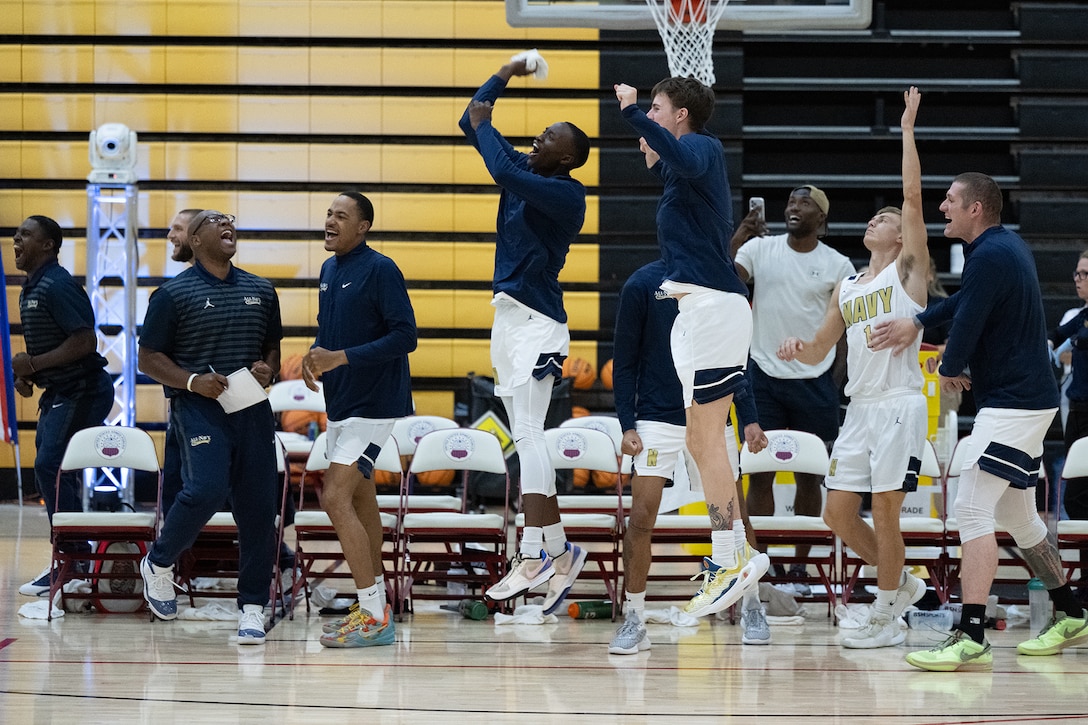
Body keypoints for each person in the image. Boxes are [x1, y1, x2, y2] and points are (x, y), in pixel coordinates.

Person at [870, 174, 1086, 670]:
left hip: (1014, 403)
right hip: (1027, 398)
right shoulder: (1002, 246)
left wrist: (947, 366)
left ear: (976, 209)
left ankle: (970, 634)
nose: (941, 205)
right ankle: (1072, 612)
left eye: (950, 199)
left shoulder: (989, 254)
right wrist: (920, 322)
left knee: (970, 508)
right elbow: (967, 302)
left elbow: (967, 322)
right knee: (1016, 516)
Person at [777, 88, 929, 649]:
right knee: (837, 514)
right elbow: (822, 349)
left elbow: (912, 199)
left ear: (899, 236)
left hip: (899, 403)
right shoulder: (847, 285)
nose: (877, 220)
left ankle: (887, 615)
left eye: (884, 218)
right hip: (859, 409)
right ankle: (904, 583)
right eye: (874, 216)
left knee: (887, 512)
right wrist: (799, 348)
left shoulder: (907, 275)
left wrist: (908, 130)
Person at [615, 76, 768, 618]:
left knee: (706, 443)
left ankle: (731, 556)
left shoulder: (701, 144)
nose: (650, 119)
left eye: (658, 109)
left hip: (713, 307)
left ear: (680, 115)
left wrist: (632, 113)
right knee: (705, 443)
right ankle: (731, 555)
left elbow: (681, 154)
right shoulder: (684, 179)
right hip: (701, 310)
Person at [459, 55, 592, 611]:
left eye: (550, 136)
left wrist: (489, 125)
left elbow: (498, 163)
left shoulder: (565, 193)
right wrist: (504, 75)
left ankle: (535, 549)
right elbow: (471, 120)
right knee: (524, 436)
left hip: (539, 322)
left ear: (566, 156)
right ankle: (557, 551)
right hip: (508, 319)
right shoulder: (524, 170)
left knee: (533, 436)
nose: (538, 137)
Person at [609, 258, 770, 654]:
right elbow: (624, 361)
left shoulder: (718, 280)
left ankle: (751, 606)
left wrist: (748, 417)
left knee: (735, 515)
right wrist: (627, 423)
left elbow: (737, 364)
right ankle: (634, 616)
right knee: (641, 516)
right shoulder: (641, 283)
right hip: (656, 418)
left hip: (712, 415)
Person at [138, 210, 282, 645]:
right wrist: (191, 381)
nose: (227, 224)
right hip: (198, 406)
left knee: (259, 509)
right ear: (196, 240)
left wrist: (267, 370)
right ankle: (159, 563)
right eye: (214, 220)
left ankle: (252, 608)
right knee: (207, 489)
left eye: (230, 219)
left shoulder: (262, 289)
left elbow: (272, 347)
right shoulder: (171, 294)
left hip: (251, 408)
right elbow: (148, 359)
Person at [302, 191, 416, 648]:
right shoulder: (330, 270)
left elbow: (405, 336)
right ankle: (378, 603)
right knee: (363, 502)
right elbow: (331, 332)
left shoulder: (381, 269)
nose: (330, 221)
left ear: (364, 226)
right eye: (329, 214)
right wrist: (316, 357)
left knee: (334, 497)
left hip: (375, 403)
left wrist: (340, 358)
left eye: (341, 216)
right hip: (343, 404)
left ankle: (372, 612)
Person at [731, 185, 856, 589]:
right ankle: (764, 562)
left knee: (809, 476)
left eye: (804, 203)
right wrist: (740, 235)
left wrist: (831, 381)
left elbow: (844, 332)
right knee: (760, 476)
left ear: (821, 218)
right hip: (763, 378)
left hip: (814, 381)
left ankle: (801, 564)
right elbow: (725, 277)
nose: (793, 207)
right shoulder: (760, 249)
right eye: (790, 202)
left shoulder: (837, 264)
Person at [13, 215, 114, 596]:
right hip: (60, 391)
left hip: (83, 390)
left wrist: (34, 364)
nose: (16, 238)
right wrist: (30, 376)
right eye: (15, 234)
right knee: (55, 469)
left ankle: (72, 560)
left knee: (50, 465)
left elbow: (86, 341)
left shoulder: (58, 285)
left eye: (25, 234)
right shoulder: (31, 287)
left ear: (48, 245)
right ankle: (72, 559)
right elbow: (50, 347)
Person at [161, 208, 202, 520]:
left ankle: (279, 558)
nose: (170, 236)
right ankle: (174, 562)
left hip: (217, 408)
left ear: (198, 236)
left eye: (177, 229)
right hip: (183, 404)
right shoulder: (173, 292)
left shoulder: (242, 288)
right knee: (176, 487)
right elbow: (151, 356)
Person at [1048, 251, 1088, 522]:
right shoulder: (1083, 314)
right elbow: (1056, 333)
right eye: (1077, 273)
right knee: (1075, 493)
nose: (1078, 279)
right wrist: (1049, 344)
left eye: (1085, 274)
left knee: (1081, 491)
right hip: (1076, 408)